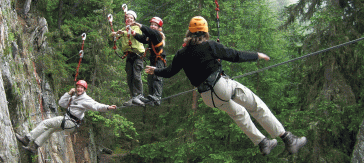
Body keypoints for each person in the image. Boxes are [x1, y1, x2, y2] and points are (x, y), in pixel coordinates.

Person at [144, 16, 307, 156]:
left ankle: (263, 143)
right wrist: (256, 55)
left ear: (189, 32)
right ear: (205, 31)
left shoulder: (182, 53)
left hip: (208, 98)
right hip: (221, 86)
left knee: (239, 114)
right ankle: (288, 139)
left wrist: (155, 71)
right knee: (256, 106)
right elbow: (235, 55)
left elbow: (170, 71)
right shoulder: (210, 45)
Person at [15, 80, 117, 153]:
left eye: (81, 88)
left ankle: (27, 138)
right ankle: (34, 147)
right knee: (49, 130)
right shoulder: (73, 97)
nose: (79, 89)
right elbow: (61, 103)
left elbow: (96, 106)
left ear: (85, 89)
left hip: (70, 122)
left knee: (45, 123)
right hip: (69, 122)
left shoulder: (86, 99)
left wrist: (107, 107)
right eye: (78, 87)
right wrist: (68, 94)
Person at [109, 10, 146, 106]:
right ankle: (133, 96)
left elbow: (131, 33)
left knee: (136, 74)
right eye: (127, 18)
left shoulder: (137, 28)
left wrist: (122, 33)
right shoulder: (123, 29)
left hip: (138, 54)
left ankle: (139, 95)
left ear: (134, 20)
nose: (129, 19)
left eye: (131, 18)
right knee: (129, 76)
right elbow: (112, 36)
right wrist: (113, 34)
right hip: (129, 55)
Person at [131, 17, 166, 106]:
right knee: (150, 79)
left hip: (159, 60)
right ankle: (151, 98)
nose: (152, 26)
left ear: (159, 27)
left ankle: (157, 97)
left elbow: (149, 32)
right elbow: (143, 39)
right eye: (152, 24)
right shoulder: (150, 36)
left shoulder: (157, 34)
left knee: (157, 78)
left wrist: (140, 26)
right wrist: (134, 34)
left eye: (155, 25)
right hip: (154, 60)